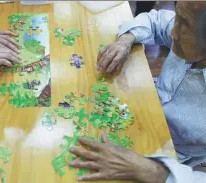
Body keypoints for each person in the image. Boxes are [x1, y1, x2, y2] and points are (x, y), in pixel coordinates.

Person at [68, 1, 206, 182]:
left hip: (182, 162)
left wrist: (155, 172)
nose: (173, 32)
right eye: (177, 17)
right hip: (145, 115)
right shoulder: (186, 27)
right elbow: (156, 20)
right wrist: (125, 41)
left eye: (184, 26)